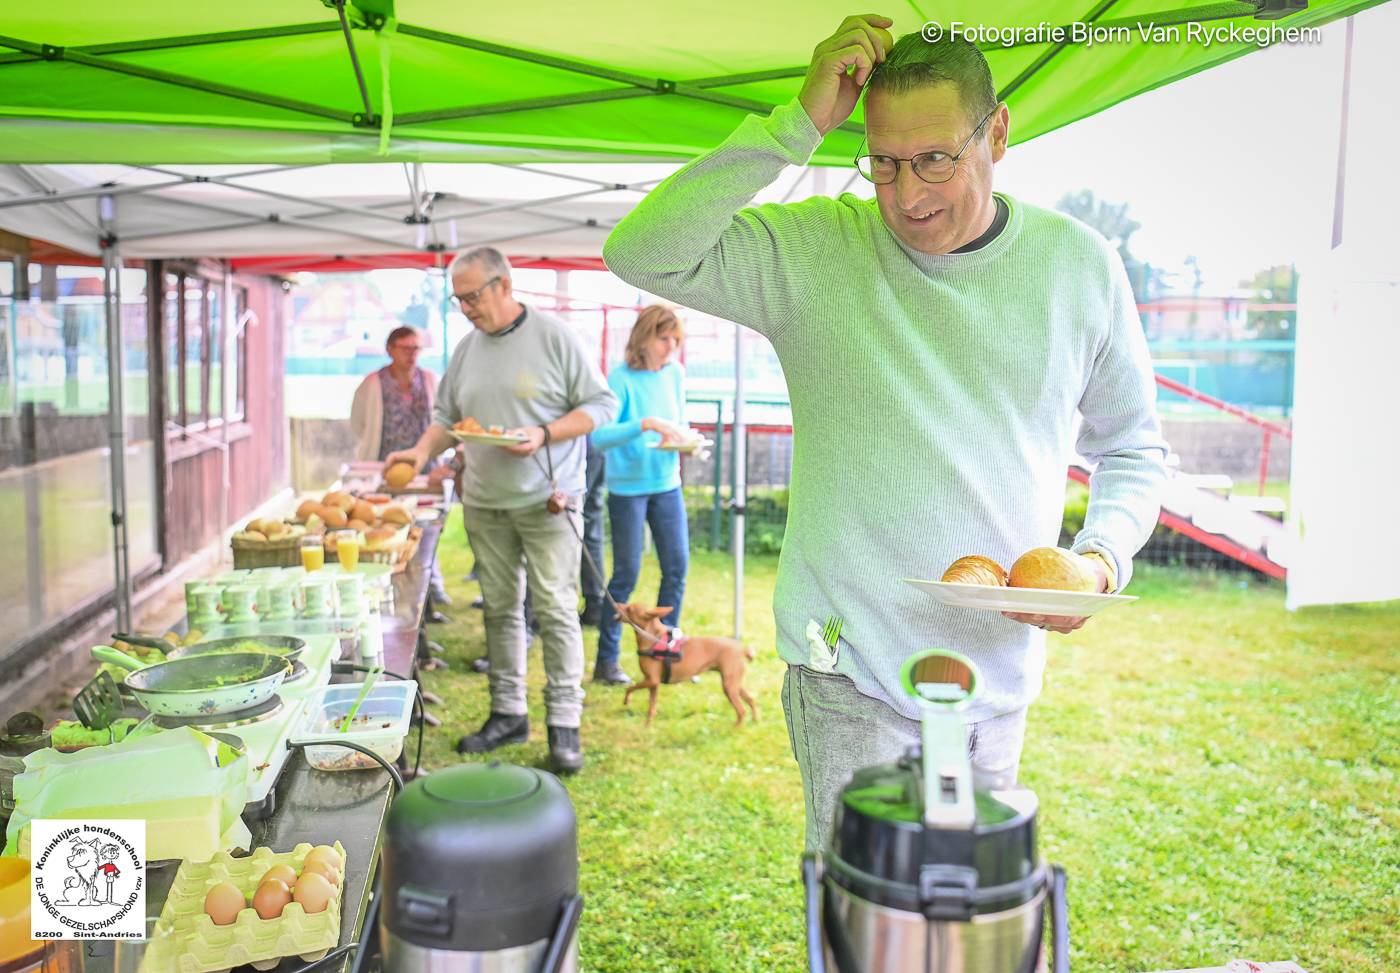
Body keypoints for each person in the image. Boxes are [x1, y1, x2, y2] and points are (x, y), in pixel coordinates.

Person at [602, 18, 1169, 848]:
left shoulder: (1079, 265)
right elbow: (642, 250)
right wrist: (796, 124)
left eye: (935, 158)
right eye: (884, 164)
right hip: (849, 673)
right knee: (863, 920)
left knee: (968, 919)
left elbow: (1133, 448)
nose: (907, 195)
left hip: (995, 674)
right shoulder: (819, 247)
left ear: (997, 132)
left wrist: (1104, 555)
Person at [386, 246, 618, 774]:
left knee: (556, 609)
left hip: (548, 500)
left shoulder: (554, 337)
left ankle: (565, 724)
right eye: (458, 299)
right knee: (500, 608)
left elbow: (603, 406)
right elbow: (448, 416)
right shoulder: (468, 348)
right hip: (486, 501)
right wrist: (421, 451)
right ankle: (508, 713)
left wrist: (544, 433)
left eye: (472, 296)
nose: (465, 308)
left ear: (504, 285)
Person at [588, 305, 693, 686]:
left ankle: (668, 653)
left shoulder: (675, 374)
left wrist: (683, 439)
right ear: (643, 338)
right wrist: (645, 424)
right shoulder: (620, 378)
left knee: (677, 568)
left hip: (667, 484)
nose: (670, 347)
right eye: (664, 339)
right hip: (627, 489)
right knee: (626, 575)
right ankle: (607, 661)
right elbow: (600, 437)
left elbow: (677, 423)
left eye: (675, 340)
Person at [350, 325, 453, 606]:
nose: (412, 355)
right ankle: (392, 587)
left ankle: (431, 587)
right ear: (391, 350)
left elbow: (446, 419)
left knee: (428, 529)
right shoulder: (373, 383)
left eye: (416, 349)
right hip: (387, 469)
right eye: (405, 349)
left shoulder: (430, 380)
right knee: (390, 528)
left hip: (426, 470)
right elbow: (359, 423)